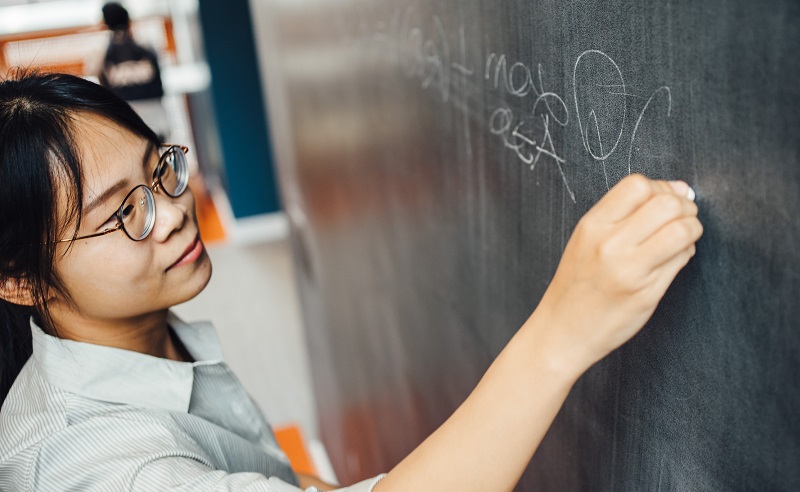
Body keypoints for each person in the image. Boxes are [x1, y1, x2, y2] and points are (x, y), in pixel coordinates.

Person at [0, 71, 702, 491]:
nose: (174, 214)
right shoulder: (100, 471)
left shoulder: (132, 332)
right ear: (20, 281)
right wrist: (566, 329)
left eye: (160, 170)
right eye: (125, 213)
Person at [98, 2, 170, 141]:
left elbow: (100, 82)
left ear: (105, 24)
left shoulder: (100, 53)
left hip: (127, 118)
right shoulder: (147, 45)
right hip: (156, 113)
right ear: (128, 20)